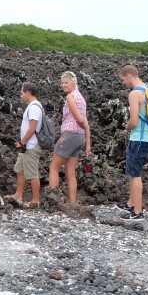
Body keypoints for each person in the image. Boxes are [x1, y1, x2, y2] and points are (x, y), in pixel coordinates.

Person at [46, 71, 92, 205]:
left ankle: (54, 201)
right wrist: (87, 145)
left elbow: (80, 120)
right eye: (62, 83)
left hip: (70, 135)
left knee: (53, 167)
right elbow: (86, 123)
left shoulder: (71, 97)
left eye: (66, 82)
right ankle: (72, 203)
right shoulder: (81, 99)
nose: (63, 85)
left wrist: (81, 124)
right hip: (80, 138)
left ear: (73, 82)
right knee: (70, 172)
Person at [119, 65, 148, 219]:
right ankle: (131, 203)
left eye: (123, 79)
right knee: (133, 171)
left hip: (139, 137)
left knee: (135, 174)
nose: (123, 83)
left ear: (128, 75)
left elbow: (134, 120)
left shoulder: (135, 94)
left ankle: (137, 211)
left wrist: (126, 128)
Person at [8, 83, 45, 206]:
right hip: (26, 146)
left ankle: (35, 200)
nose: (21, 96)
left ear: (28, 92)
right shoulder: (32, 106)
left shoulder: (34, 107)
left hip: (31, 145)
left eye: (22, 93)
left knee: (32, 174)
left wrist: (21, 142)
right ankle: (18, 195)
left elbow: (32, 128)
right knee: (20, 170)